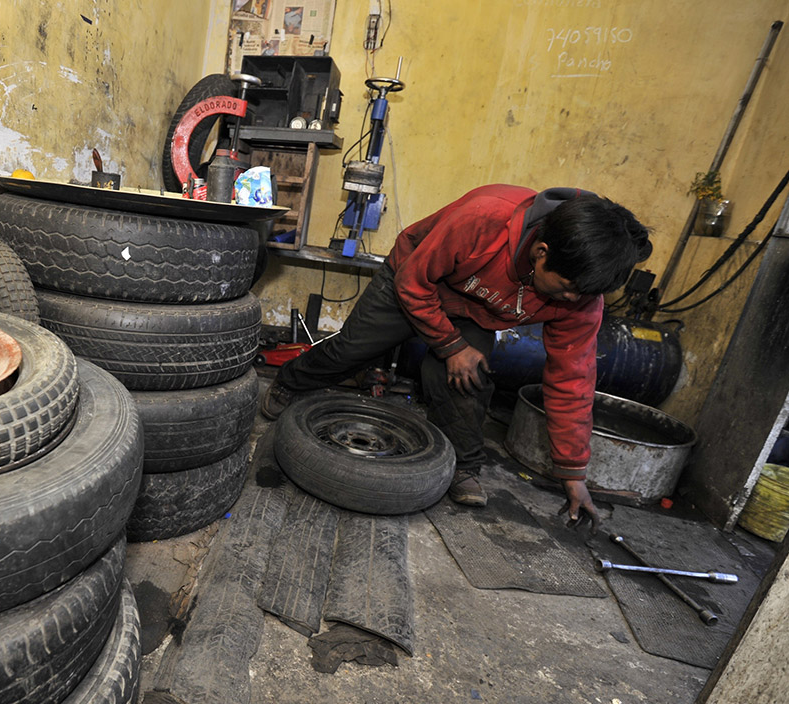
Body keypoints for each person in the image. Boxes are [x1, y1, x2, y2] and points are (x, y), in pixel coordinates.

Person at [261, 184, 652, 531]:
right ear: (541, 252)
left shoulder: (582, 297)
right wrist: (451, 346)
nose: (572, 300)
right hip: (412, 279)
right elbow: (414, 284)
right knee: (353, 350)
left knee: (470, 379)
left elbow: (573, 380)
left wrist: (573, 473)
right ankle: (290, 382)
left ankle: (463, 465)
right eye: (567, 288)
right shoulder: (485, 218)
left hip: (476, 310)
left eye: (583, 294)